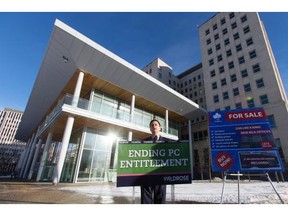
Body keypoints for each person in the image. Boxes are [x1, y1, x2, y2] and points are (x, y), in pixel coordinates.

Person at [140, 119, 168, 204]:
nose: (154, 126)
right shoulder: (143, 142)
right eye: (152, 125)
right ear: (150, 128)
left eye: (156, 124)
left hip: (161, 175)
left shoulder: (167, 142)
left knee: (160, 200)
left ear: (160, 128)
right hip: (146, 175)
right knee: (146, 201)